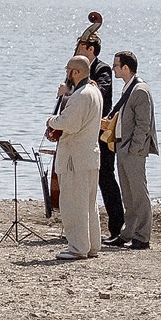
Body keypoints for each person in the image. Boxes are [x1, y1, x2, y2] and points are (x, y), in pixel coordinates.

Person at [45, 54, 103, 260]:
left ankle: (78, 247)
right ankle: (92, 245)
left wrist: (52, 120)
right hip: (89, 155)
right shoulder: (94, 91)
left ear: (76, 72)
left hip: (75, 158)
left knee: (73, 203)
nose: (66, 74)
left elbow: (70, 123)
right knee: (88, 202)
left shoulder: (81, 95)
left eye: (68, 70)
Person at [75, 13, 125, 244]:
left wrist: (82, 84)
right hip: (82, 132)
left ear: (91, 49)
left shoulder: (102, 70)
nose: (77, 52)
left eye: (81, 48)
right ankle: (81, 225)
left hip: (101, 133)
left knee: (106, 177)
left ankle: (117, 227)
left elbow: (102, 93)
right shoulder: (79, 71)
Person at [108, 51, 158, 250]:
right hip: (122, 146)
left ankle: (142, 237)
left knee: (138, 194)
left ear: (125, 68)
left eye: (116, 65)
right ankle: (127, 233)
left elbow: (143, 125)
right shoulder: (129, 88)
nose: (113, 68)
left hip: (132, 150)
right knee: (127, 195)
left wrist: (134, 149)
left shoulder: (140, 91)